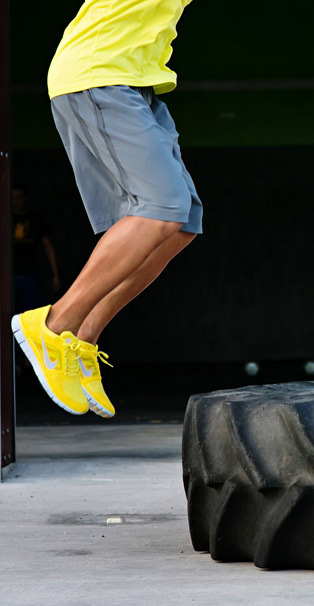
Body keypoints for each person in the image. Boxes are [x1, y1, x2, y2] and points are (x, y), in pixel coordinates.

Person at [11, 0, 201, 418]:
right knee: (162, 207)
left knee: (183, 220)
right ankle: (52, 325)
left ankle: (83, 338)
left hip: (135, 83)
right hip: (99, 73)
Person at [11, 183, 61, 313]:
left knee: (31, 311)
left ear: (26, 198)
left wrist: (55, 275)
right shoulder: (6, 219)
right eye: (13, 198)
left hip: (31, 272)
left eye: (19, 197)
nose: (16, 201)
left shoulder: (36, 219)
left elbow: (48, 246)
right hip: (10, 274)